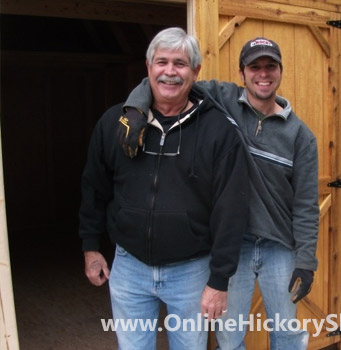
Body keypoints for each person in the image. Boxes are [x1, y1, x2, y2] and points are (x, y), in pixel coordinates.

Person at [122, 36, 319, 350]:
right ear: (242, 73)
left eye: (271, 66)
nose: (263, 74)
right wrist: (133, 110)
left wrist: (306, 262)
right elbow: (166, 80)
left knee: (287, 332)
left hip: (278, 246)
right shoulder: (222, 98)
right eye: (255, 67)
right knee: (228, 337)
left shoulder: (301, 135)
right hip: (232, 247)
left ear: (281, 71)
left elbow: (307, 204)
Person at [78, 27, 250, 350]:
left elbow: (232, 211)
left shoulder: (219, 132)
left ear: (196, 72)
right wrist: (91, 246)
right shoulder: (118, 124)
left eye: (180, 64)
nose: (170, 72)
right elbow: (94, 187)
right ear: (148, 67)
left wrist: (219, 280)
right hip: (129, 268)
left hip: (191, 272)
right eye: (162, 62)